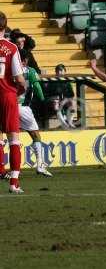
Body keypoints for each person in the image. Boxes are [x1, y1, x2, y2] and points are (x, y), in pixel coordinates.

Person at [0, 11, 26, 194]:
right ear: (4, 26)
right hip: (7, 95)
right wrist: (21, 89)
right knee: (14, 140)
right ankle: (14, 183)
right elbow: (19, 78)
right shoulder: (11, 48)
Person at [18, 49, 52, 177]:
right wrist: (43, 100)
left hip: (8, 106)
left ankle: (8, 169)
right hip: (23, 108)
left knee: (10, 138)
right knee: (36, 135)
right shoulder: (30, 71)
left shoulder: (9, 69)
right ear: (25, 60)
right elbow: (37, 87)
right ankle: (40, 165)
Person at [43, 64, 76, 128]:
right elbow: (49, 93)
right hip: (54, 100)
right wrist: (58, 99)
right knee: (56, 104)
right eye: (57, 71)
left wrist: (66, 100)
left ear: (65, 71)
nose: (59, 72)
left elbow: (71, 94)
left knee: (72, 103)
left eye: (61, 70)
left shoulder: (67, 82)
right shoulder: (52, 81)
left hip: (64, 100)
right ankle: (64, 124)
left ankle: (70, 122)